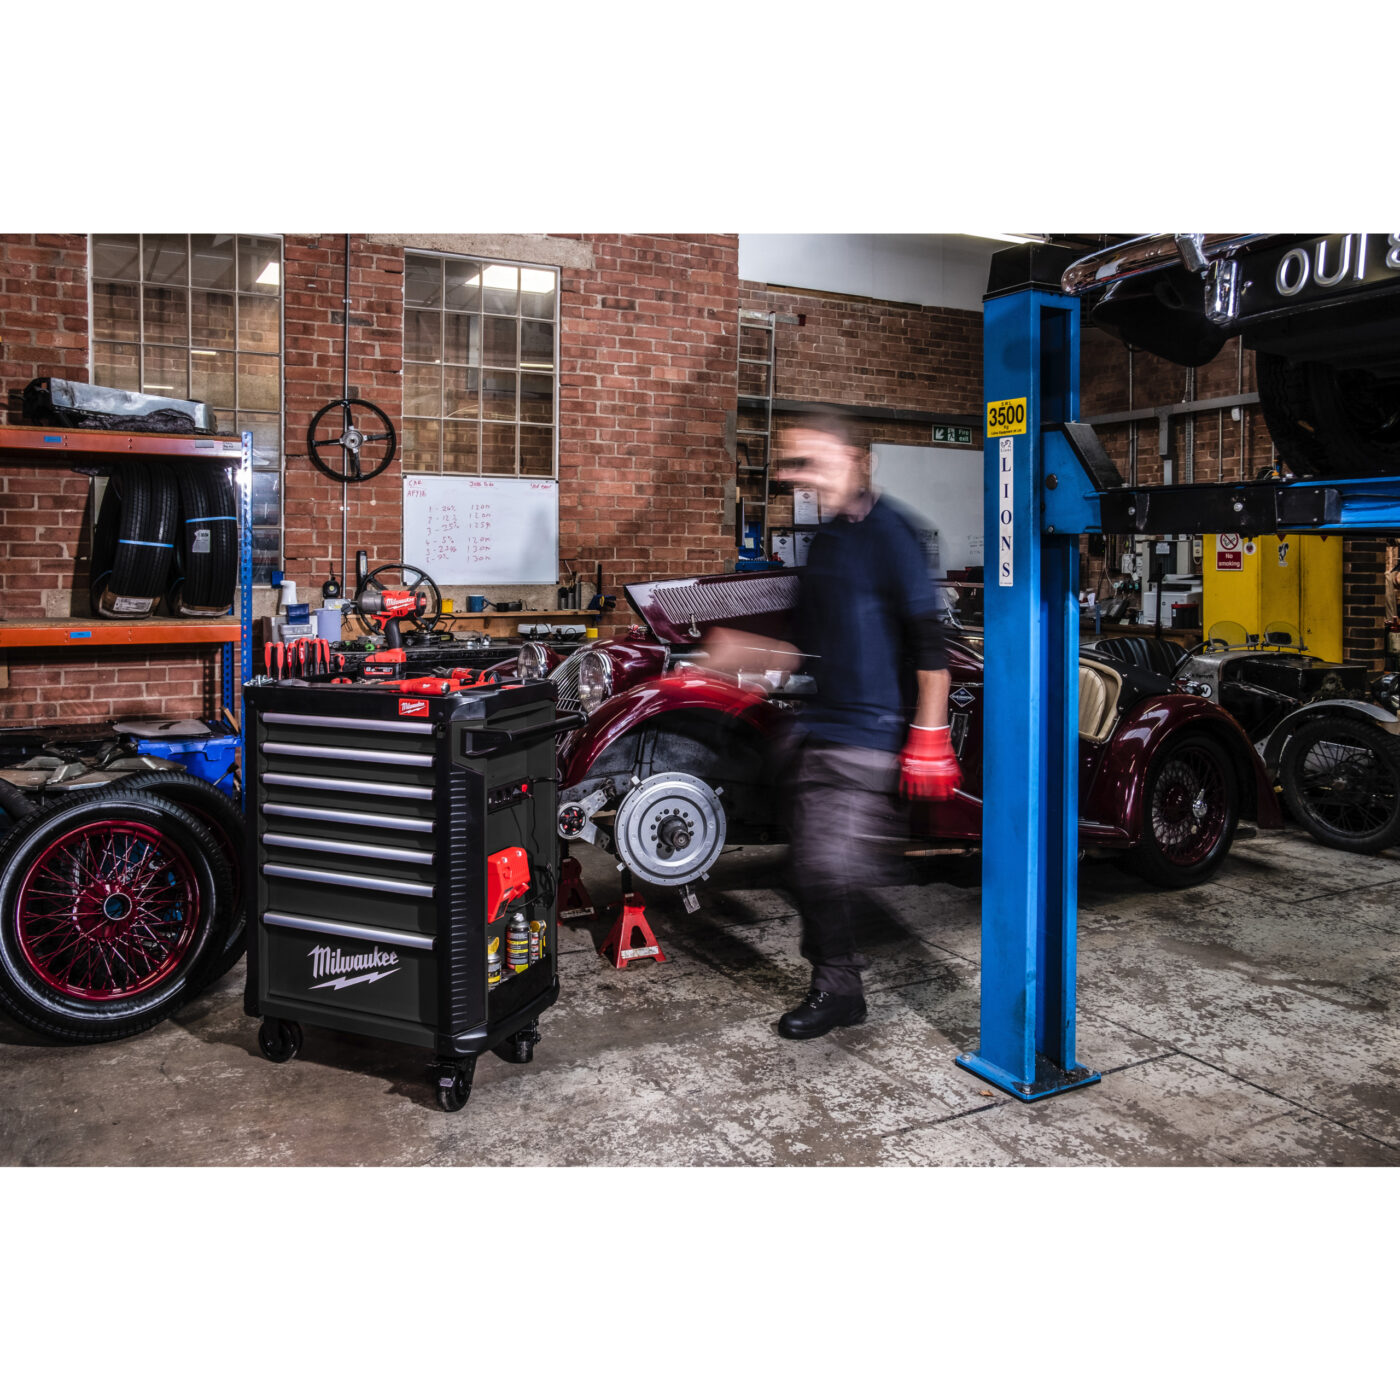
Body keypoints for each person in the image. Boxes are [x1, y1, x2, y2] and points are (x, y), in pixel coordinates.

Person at [707, 415, 961, 1040]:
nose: (800, 475)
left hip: (869, 733)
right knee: (808, 868)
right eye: (795, 464)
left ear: (854, 460)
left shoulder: (893, 533)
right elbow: (808, 646)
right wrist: (750, 656)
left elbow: (930, 643)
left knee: (822, 868)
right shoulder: (827, 542)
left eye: (812, 461)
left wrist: (930, 736)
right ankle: (841, 980)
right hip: (822, 728)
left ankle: (840, 989)